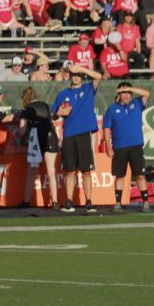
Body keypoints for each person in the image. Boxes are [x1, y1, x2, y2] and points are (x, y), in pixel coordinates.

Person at [52, 64, 102, 214]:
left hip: (84, 134)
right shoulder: (62, 94)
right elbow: (54, 115)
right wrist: (59, 112)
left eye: (78, 74)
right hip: (69, 135)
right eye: (73, 74)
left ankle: (88, 201)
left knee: (86, 171)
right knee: (70, 171)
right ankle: (69, 202)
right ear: (68, 75)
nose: (76, 76)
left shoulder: (87, 89)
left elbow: (99, 77)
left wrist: (80, 68)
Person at [103, 83, 151, 213]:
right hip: (119, 147)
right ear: (118, 95)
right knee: (120, 175)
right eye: (123, 92)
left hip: (136, 146)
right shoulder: (112, 109)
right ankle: (117, 202)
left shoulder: (136, 104)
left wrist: (129, 88)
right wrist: (108, 146)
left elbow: (147, 93)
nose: (126, 95)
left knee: (140, 175)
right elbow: (106, 129)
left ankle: (145, 202)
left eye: (128, 92)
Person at [18, 92, 59, 209]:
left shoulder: (26, 109)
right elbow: (53, 120)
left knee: (31, 171)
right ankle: (55, 201)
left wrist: (16, 133)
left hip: (36, 138)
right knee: (51, 171)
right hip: (50, 136)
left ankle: (26, 201)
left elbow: (22, 130)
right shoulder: (45, 105)